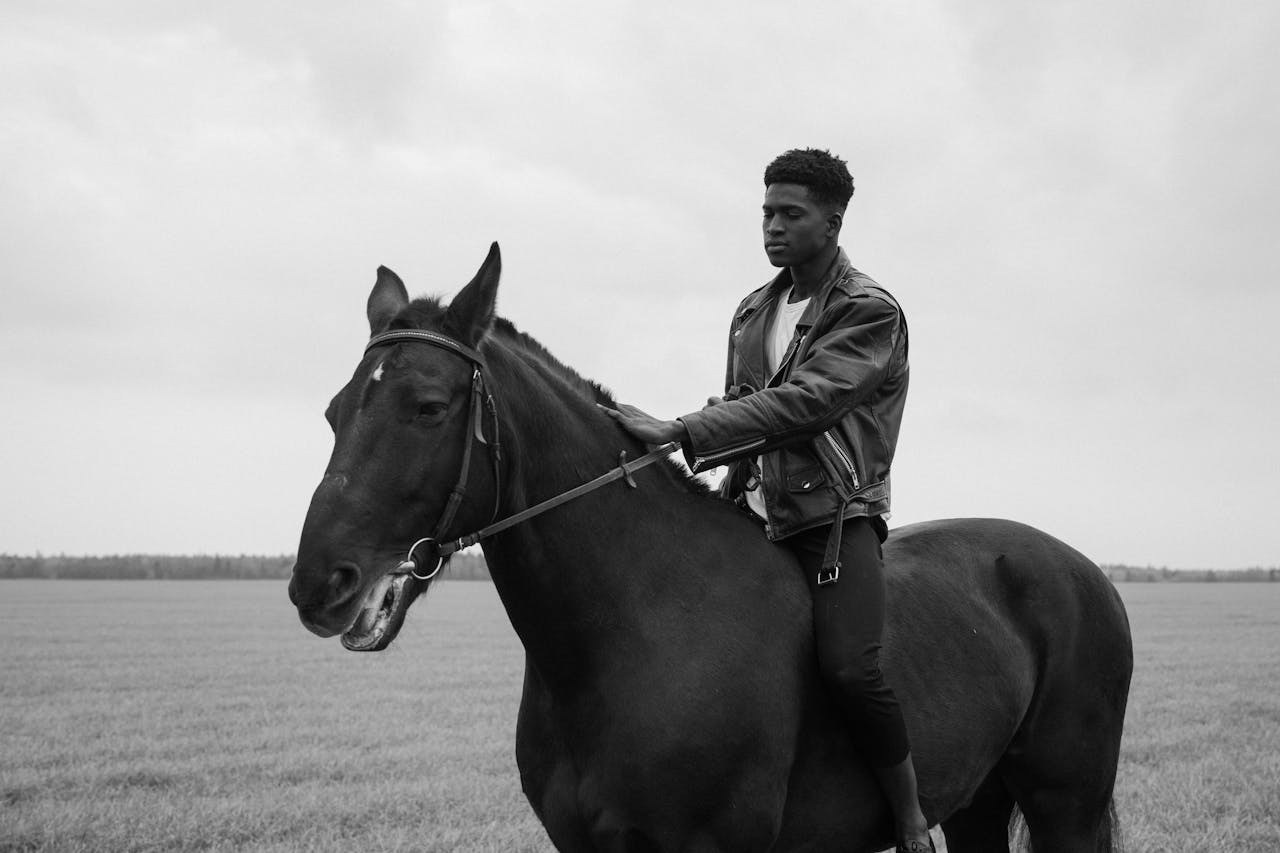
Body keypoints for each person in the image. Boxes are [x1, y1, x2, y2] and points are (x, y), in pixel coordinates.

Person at [600, 148, 932, 852]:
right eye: (766, 213)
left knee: (850, 665)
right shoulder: (754, 309)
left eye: (790, 214)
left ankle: (907, 815)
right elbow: (746, 405)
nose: (772, 227)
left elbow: (806, 404)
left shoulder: (870, 311)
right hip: (748, 509)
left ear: (833, 221)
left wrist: (683, 430)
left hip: (832, 522)